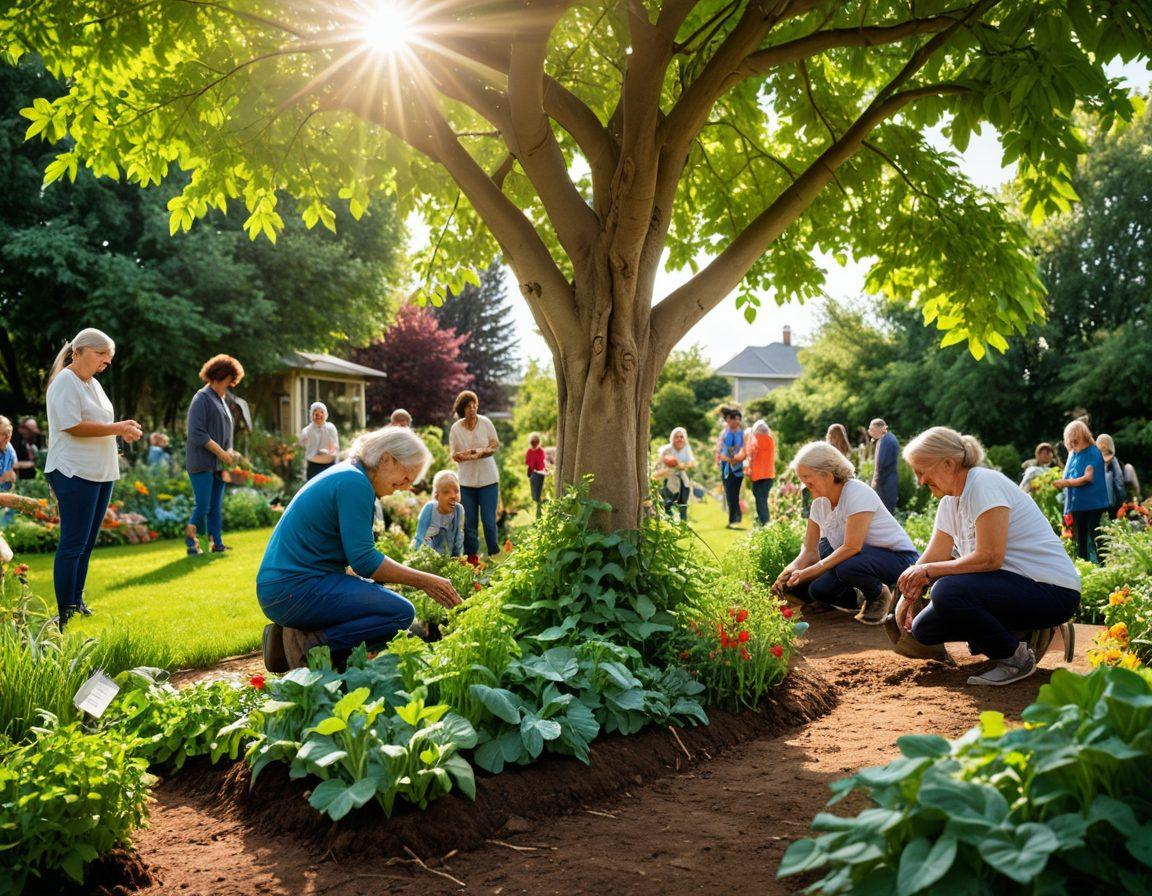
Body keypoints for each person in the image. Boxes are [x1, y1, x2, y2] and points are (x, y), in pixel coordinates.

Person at [257, 426, 461, 671]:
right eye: (406, 477)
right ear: (386, 459)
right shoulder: (356, 483)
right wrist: (426, 581)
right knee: (400, 613)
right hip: (293, 588)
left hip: (286, 587)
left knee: (379, 598)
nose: (406, 486)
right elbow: (365, 561)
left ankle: (301, 641)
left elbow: (356, 562)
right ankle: (308, 645)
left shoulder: (349, 475)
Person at [895, 427, 1081, 686]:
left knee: (947, 590)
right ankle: (1022, 634)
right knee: (924, 629)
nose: (921, 481)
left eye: (922, 471)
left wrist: (927, 573)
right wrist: (906, 593)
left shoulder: (983, 484)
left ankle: (1016, 658)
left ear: (948, 464)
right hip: (1012, 587)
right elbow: (934, 554)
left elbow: (990, 558)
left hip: (1051, 590)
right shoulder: (950, 501)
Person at [44, 328, 143, 623]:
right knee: (72, 543)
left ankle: (77, 601)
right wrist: (118, 427)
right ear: (78, 353)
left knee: (87, 543)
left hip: (100, 473)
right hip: (74, 472)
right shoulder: (65, 382)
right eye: (101, 355)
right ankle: (65, 612)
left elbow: (99, 424)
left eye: (108, 358)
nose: (105, 362)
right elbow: (73, 426)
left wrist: (121, 434)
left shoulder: (93, 385)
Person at [774, 442, 917, 624]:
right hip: (859, 560)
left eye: (808, 481)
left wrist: (810, 571)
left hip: (897, 560)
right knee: (818, 590)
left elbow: (852, 546)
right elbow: (810, 551)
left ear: (827, 475)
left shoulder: (856, 492)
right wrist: (788, 572)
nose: (805, 487)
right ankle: (858, 600)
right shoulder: (819, 504)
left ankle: (880, 594)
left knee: (846, 566)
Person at [185, 354, 243, 556]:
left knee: (215, 506)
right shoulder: (202, 398)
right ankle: (191, 542)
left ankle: (216, 543)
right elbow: (196, 433)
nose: (229, 386)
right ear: (218, 377)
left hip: (219, 465)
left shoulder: (221, 399)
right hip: (202, 463)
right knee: (203, 506)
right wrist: (221, 452)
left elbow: (226, 431)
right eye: (228, 382)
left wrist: (230, 452)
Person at [449, 390, 501, 563]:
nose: (472, 409)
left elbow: (495, 445)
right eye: (468, 406)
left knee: (488, 522)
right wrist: (459, 456)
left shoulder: (485, 422)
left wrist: (483, 452)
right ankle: (472, 560)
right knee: (470, 525)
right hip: (466, 482)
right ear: (462, 409)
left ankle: (495, 555)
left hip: (488, 480)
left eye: (474, 406)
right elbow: (454, 453)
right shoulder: (456, 428)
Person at [1054, 420, 1109, 562]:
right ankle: (1084, 569)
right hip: (1077, 504)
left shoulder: (1093, 452)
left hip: (1093, 503)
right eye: (1070, 441)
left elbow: (1087, 478)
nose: (1072, 444)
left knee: (1096, 537)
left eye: (1075, 440)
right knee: (1080, 541)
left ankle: (1104, 566)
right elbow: (1068, 475)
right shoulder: (1073, 455)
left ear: (1083, 435)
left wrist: (1065, 483)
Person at [413, 470, 465, 557]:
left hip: (447, 560)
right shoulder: (429, 509)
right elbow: (419, 537)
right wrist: (416, 557)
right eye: (446, 492)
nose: (453, 496)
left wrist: (459, 558)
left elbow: (459, 537)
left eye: (456, 491)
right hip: (427, 557)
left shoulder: (459, 510)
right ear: (437, 496)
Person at [715, 407, 747, 528]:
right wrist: (728, 459)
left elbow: (745, 449)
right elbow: (719, 450)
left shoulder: (742, 433)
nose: (736, 422)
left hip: (738, 467)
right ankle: (733, 518)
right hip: (726, 467)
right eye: (734, 419)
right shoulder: (725, 433)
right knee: (729, 492)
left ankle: (735, 518)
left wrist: (737, 458)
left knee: (735, 493)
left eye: (738, 419)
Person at [656, 427, 695, 521]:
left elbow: (691, 463)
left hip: (682, 478)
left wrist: (683, 465)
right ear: (672, 438)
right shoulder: (666, 450)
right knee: (668, 504)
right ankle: (669, 525)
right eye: (677, 437)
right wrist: (676, 464)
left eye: (682, 437)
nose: (679, 439)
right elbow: (662, 462)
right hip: (668, 479)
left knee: (683, 504)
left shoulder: (686, 448)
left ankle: (684, 525)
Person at [745, 420, 776, 525]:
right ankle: (763, 522)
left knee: (761, 502)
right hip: (767, 476)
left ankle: (765, 524)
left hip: (760, 477)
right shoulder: (770, 440)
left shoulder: (757, 440)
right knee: (761, 501)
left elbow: (750, 453)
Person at [300, 402, 340, 481]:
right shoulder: (307, 430)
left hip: (329, 464)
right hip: (313, 465)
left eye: (321, 412)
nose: (319, 416)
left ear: (325, 414)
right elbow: (301, 447)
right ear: (311, 415)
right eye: (316, 413)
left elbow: (335, 447)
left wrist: (331, 453)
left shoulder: (330, 428)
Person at [868, 418, 900, 512]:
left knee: (885, 511)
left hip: (885, 483)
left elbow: (882, 464)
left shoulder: (887, 441)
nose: (870, 432)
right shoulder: (886, 439)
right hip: (888, 481)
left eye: (872, 429)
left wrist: (875, 483)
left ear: (880, 428)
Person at [1096, 434, 1126, 520]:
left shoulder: (1094, 461)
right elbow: (1119, 482)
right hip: (1112, 503)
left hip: (1097, 503)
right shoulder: (1114, 461)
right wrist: (1122, 500)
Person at [525, 433, 548, 517]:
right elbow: (529, 463)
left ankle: (540, 512)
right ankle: (537, 512)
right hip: (533, 474)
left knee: (540, 494)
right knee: (535, 495)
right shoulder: (529, 451)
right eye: (533, 443)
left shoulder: (540, 451)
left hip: (541, 474)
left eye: (536, 442)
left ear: (538, 442)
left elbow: (541, 463)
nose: (534, 445)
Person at [0, 417, 17, 492]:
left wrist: (13, 477)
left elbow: (14, 473)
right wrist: (2, 479)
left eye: (9, 433)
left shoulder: (9, 448)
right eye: (3, 434)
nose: (7, 437)